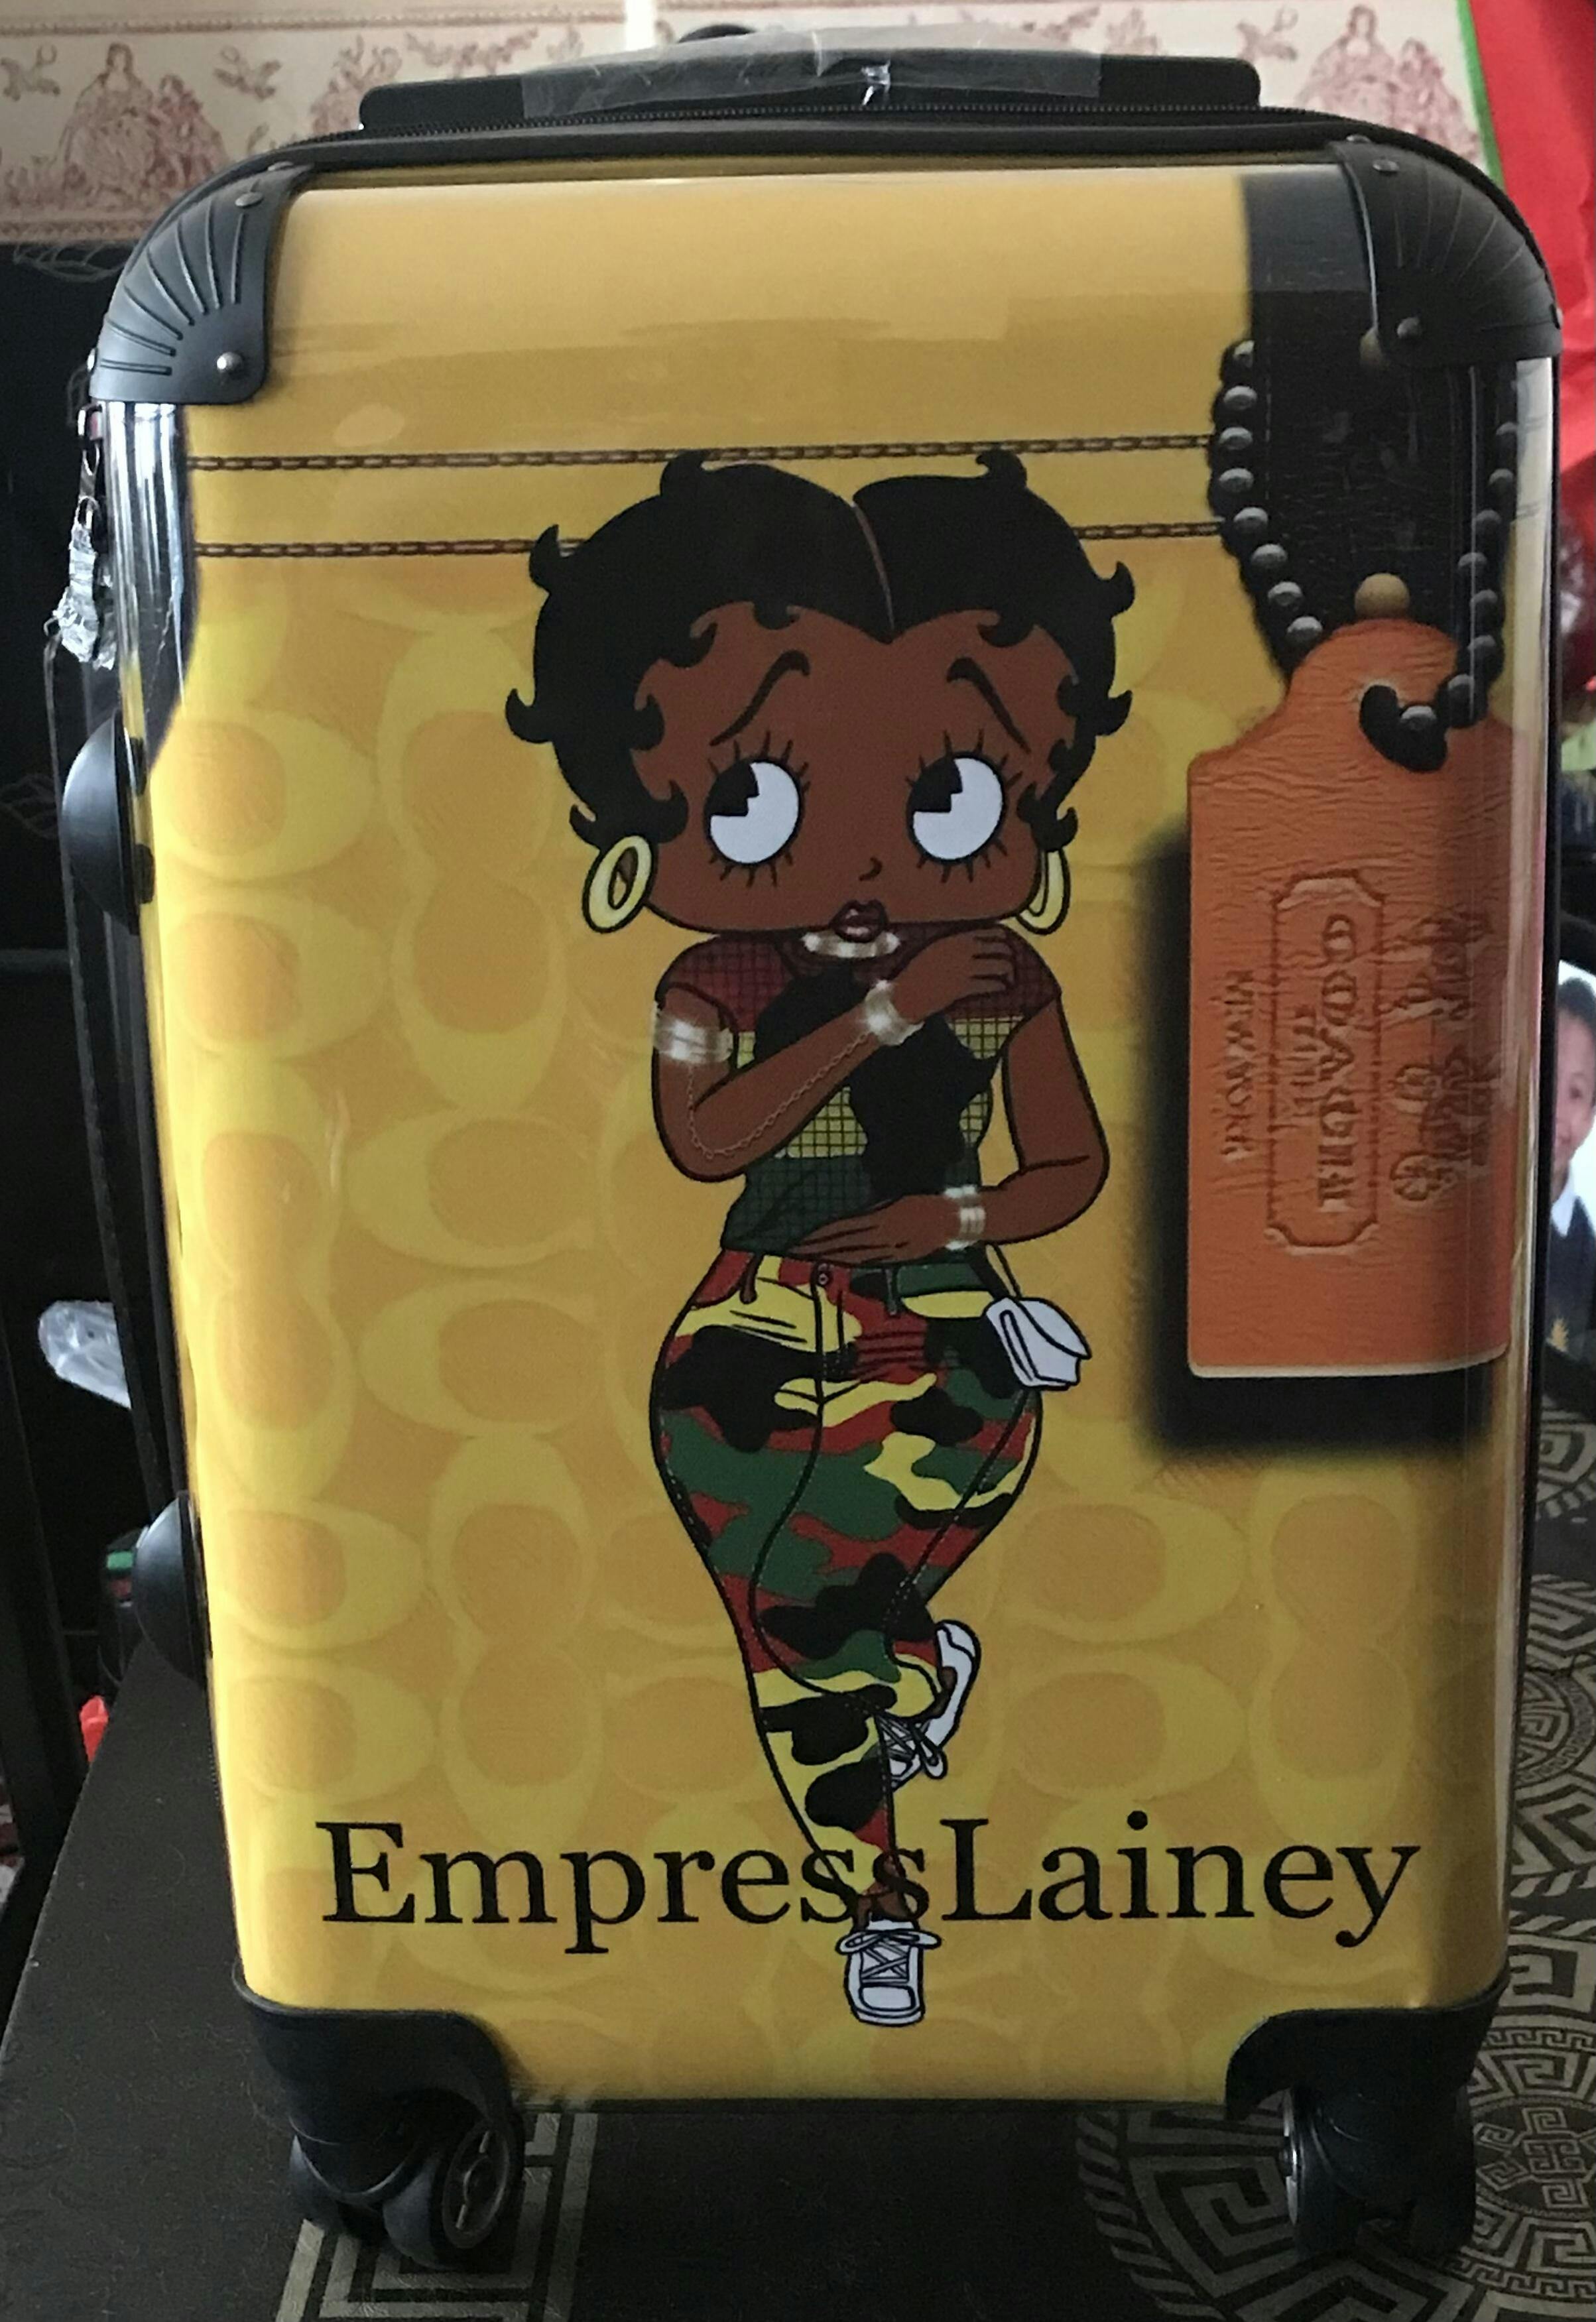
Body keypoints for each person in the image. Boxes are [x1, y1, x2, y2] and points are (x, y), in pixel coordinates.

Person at [508, 453, 1127, 2027]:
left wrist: (951, 1215)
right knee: (788, 1623)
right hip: (743, 1342)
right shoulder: (711, 986)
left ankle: (878, 1904)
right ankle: (909, 1690)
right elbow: (708, 1142)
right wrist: (878, 1014)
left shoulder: (1004, 978)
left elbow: (1071, 1163)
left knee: (797, 1631)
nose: (861, 862)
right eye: (760, 798)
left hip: (947, 1343)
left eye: (946, 794)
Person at [1548, 975, 1596, 1350]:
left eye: (1576, 1093)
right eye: (1548, 1071)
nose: (1555, 1111)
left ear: (1592, 1116)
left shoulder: (1587, 1260)